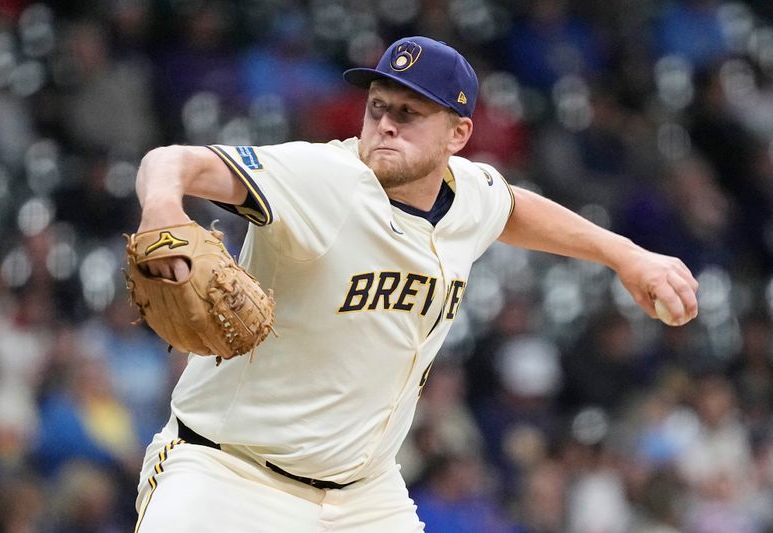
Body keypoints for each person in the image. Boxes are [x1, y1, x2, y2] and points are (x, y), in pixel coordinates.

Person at [130, 36, 698, 532]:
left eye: (409, 112)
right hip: (228, 474)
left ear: (459, 133)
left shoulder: (469, 194)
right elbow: (172, 160)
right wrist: (161, 210)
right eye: (377, 107)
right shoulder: (320, 178)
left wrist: (626, 256)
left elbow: (512, 207)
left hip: (363, 495)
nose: (386, 124)